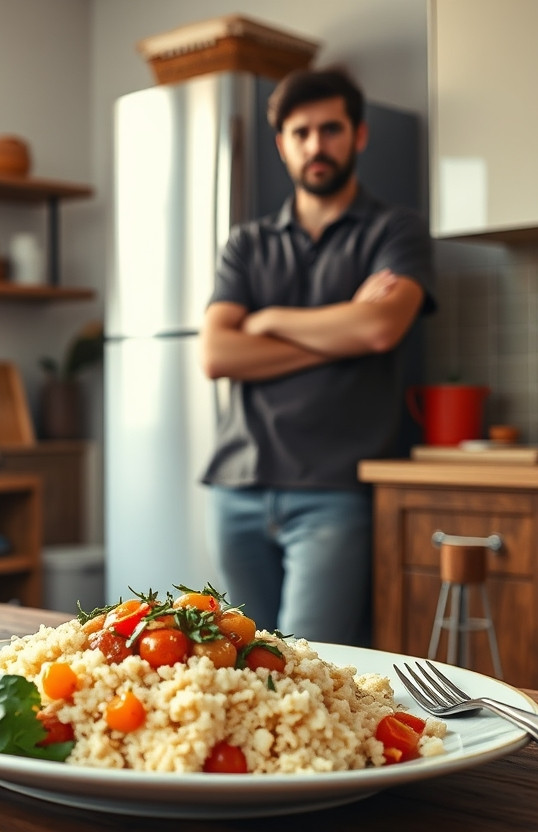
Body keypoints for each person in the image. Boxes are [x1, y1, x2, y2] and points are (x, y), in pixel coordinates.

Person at [199, 68, 435, 646]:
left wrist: (270, 320)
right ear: (282, 145)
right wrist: (339, 328)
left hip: (334, 492)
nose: (315, 145)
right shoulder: (247, 243)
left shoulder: (396, 230)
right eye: (300, 133)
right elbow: (216, 352)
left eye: (330, 129)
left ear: (358, 136)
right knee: (238, 667)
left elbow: (380, 328)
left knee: (305, 666)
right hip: (237, 484)